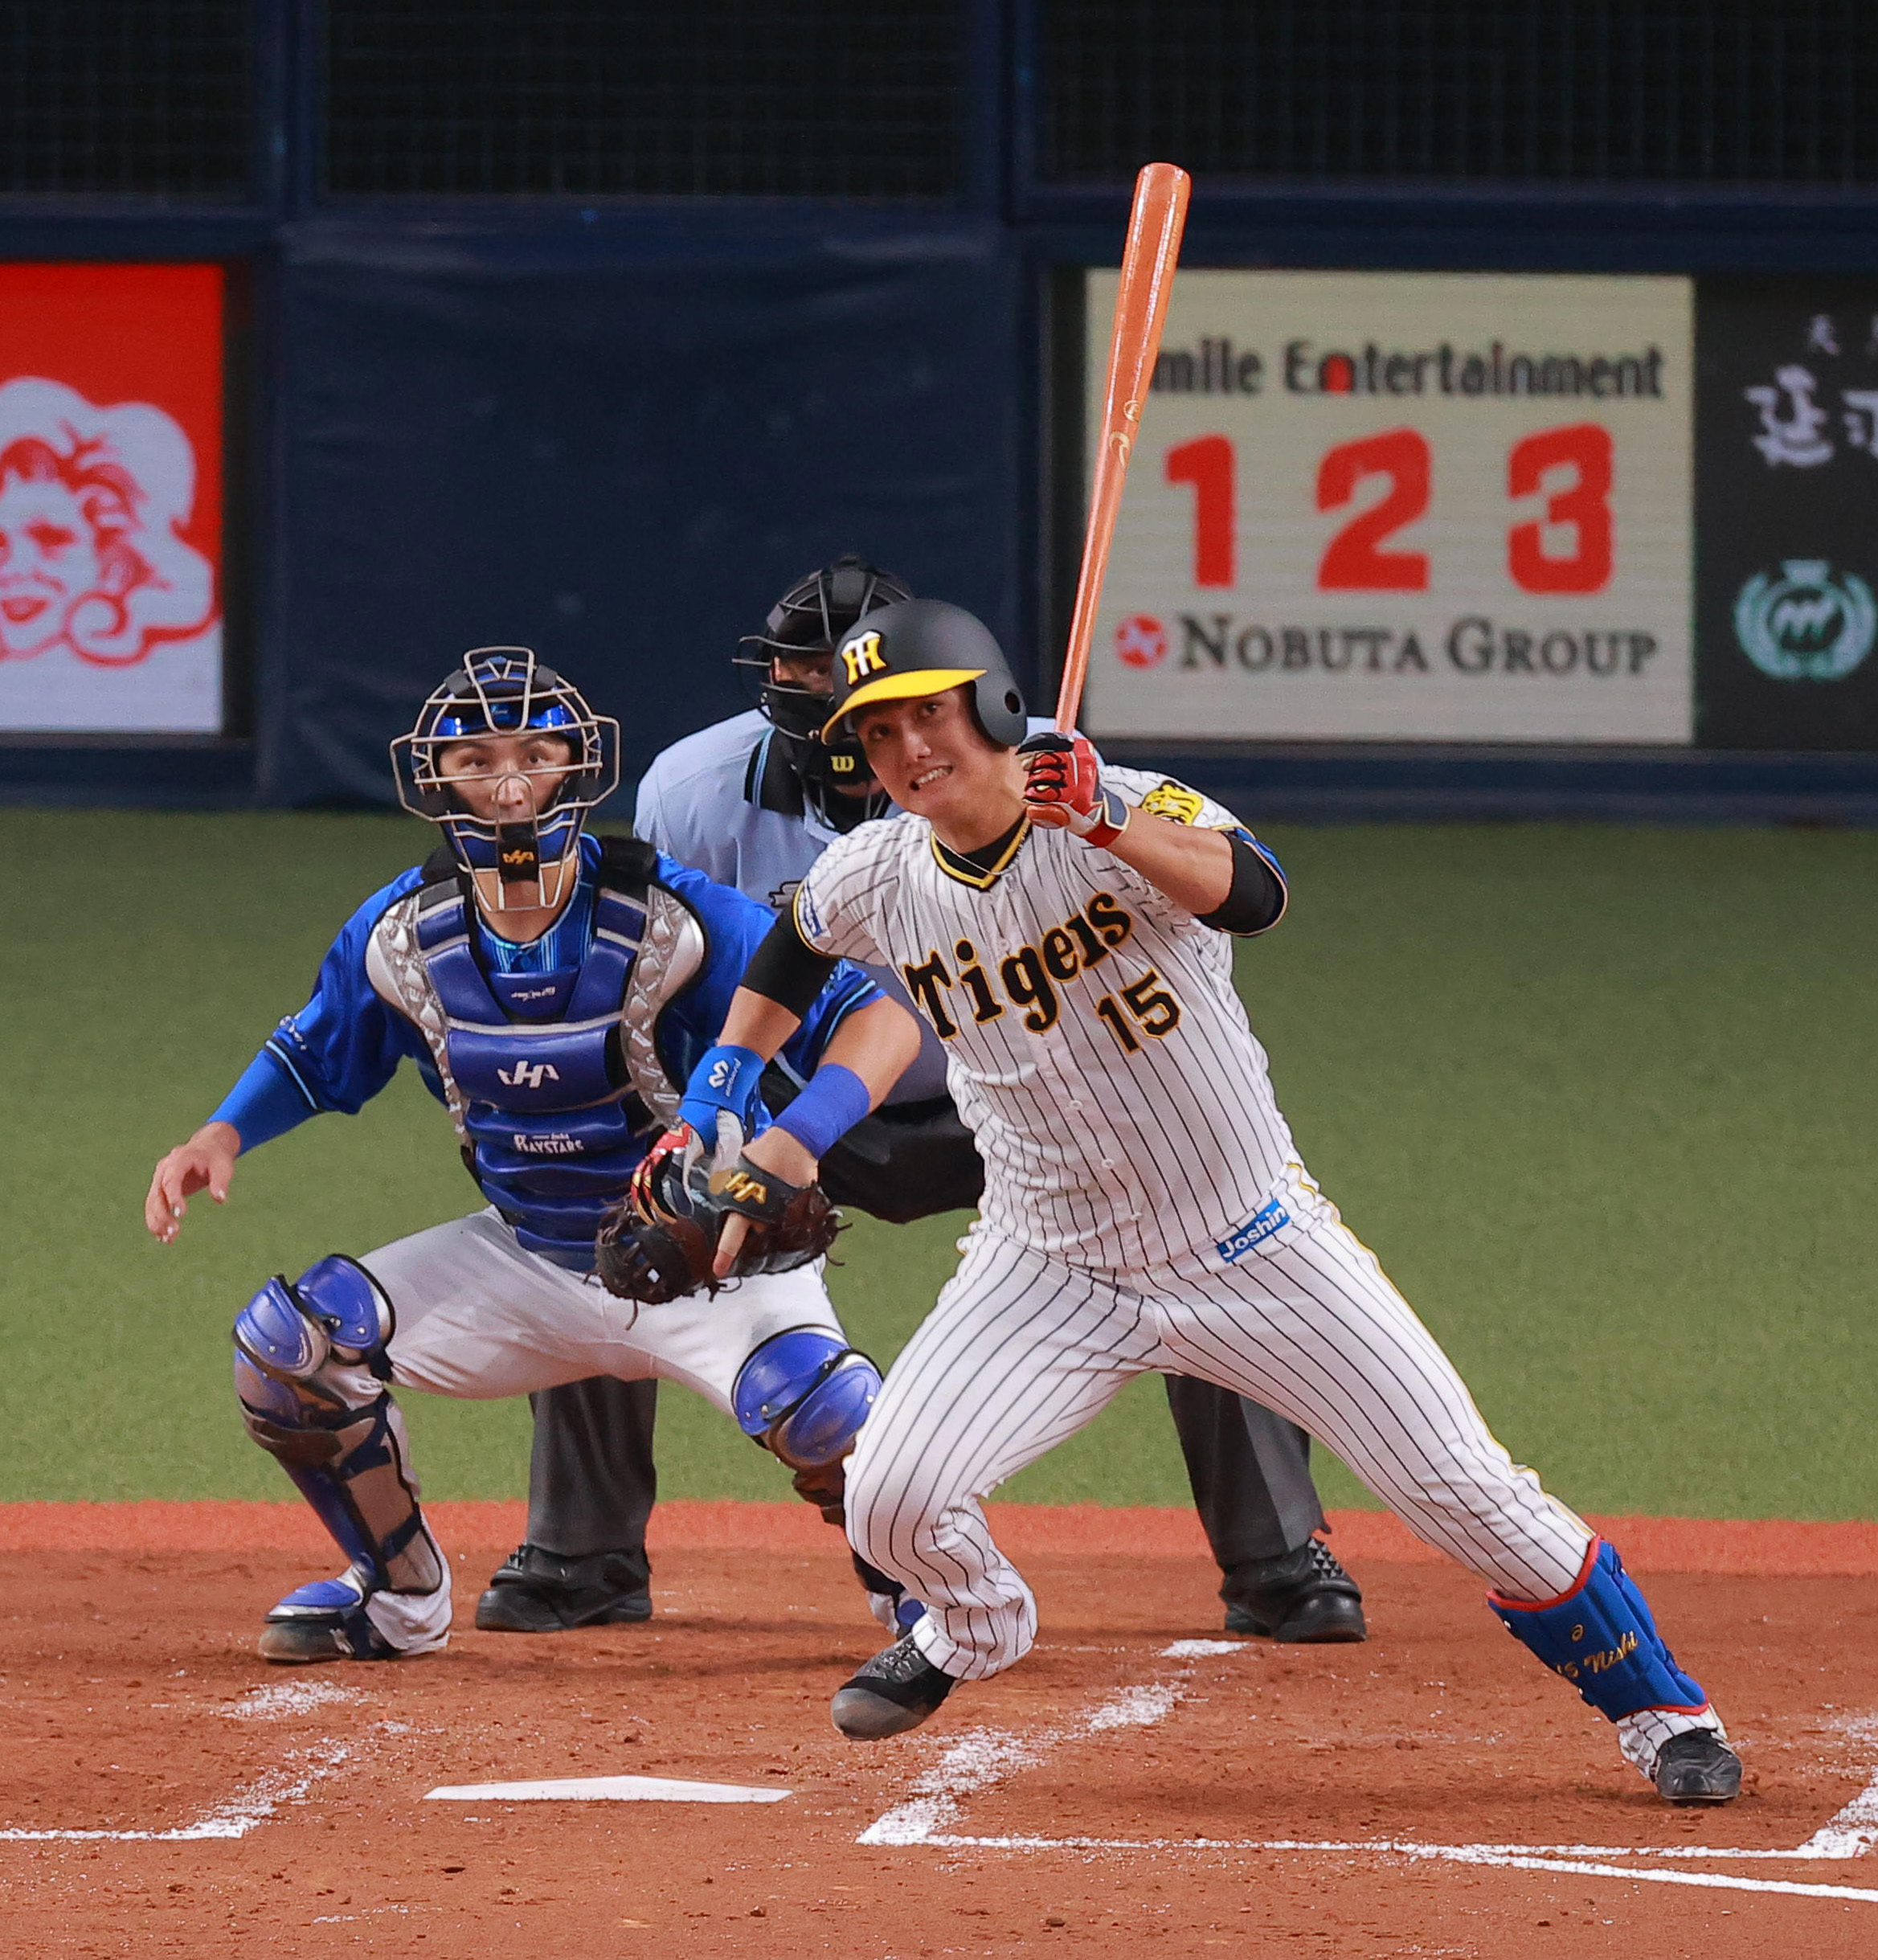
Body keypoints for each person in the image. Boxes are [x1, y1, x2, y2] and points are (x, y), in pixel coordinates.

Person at [678, 598, 1743, 1806]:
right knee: (890, 1496)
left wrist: (1103, 816)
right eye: (878, 734)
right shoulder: (873, 866)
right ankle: (971, 1626)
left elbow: (1254, 891)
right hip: (1048, 1263)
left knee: (1463, 1488)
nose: (910, 749)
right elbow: (795, 945)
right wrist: (724, 1079)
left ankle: (1662, 1708)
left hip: (1251, 1243)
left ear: (990, 706)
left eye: (930, 713)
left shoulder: (1118, 805)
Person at [496, 556, 1365, 1643]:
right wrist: (704, 1116)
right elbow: (691, 969)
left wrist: (1097, 817)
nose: (842, 702)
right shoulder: (694, 787)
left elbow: (1238, 889)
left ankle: (1279, 1558)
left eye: (880, 685)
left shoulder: (1042, 766)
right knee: (618, 1212)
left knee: (1195, 1229)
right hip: (801, 1103)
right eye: (811, 676)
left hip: (1021, 1106)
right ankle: (583, 1551)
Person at [143, 647, 923, 1663]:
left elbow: (877, 1025)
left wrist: (794, 1136)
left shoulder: (670, 914)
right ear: (436, 780)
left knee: (824, 1414)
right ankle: (397, 1593)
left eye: (535, 752)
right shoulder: (399, 935)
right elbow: (317, 1051)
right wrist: (221, 1133)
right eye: (476, 758)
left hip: (712, 1269)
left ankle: (937, 1595)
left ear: (576, 768)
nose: (509, 783)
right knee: (289, 1352)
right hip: (530, 1261)